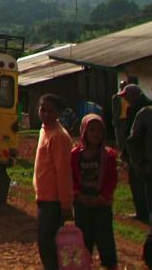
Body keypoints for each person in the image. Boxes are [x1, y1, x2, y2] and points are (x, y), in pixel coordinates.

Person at [71, 114, 118, 269]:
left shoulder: (109, 155)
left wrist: (102, 197)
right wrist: (78, 195)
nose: (95, 134)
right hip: (81, 204)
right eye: (92, 130)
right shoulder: (75, 154)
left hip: (102, 204)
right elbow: (71, 177)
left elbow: (112, 179)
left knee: (105, 241)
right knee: (84, 241)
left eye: (99, 131)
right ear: (84, 131)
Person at [33, 93, 73, 270]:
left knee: (48, 245)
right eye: (43, 110)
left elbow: (63, 172)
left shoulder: (59, 136)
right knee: (46, 243)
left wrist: (65, 204)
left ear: (58, 113)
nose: (46, 114)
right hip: (43, 197)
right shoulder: (44, 130)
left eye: (51, 111)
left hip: (54, 201)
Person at [120, 84, 152, 222]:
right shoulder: (141, 109)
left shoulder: (143, 111)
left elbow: (132, 139)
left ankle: (143, 214)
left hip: (144, 160)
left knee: (140, 186)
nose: (126, 99)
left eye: (127, 96)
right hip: (144, 159)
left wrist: (136, 161)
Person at [112, 80, 129, 153]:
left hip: (127, 120)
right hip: (120, 120)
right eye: (122, 86)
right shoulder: (116, 97)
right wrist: (115, 120)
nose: (123, 87)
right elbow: (114, 110)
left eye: (125, 86)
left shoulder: (129, 97)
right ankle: (121, 152)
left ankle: (126, 153)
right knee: (120, 138)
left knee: (127, 137)